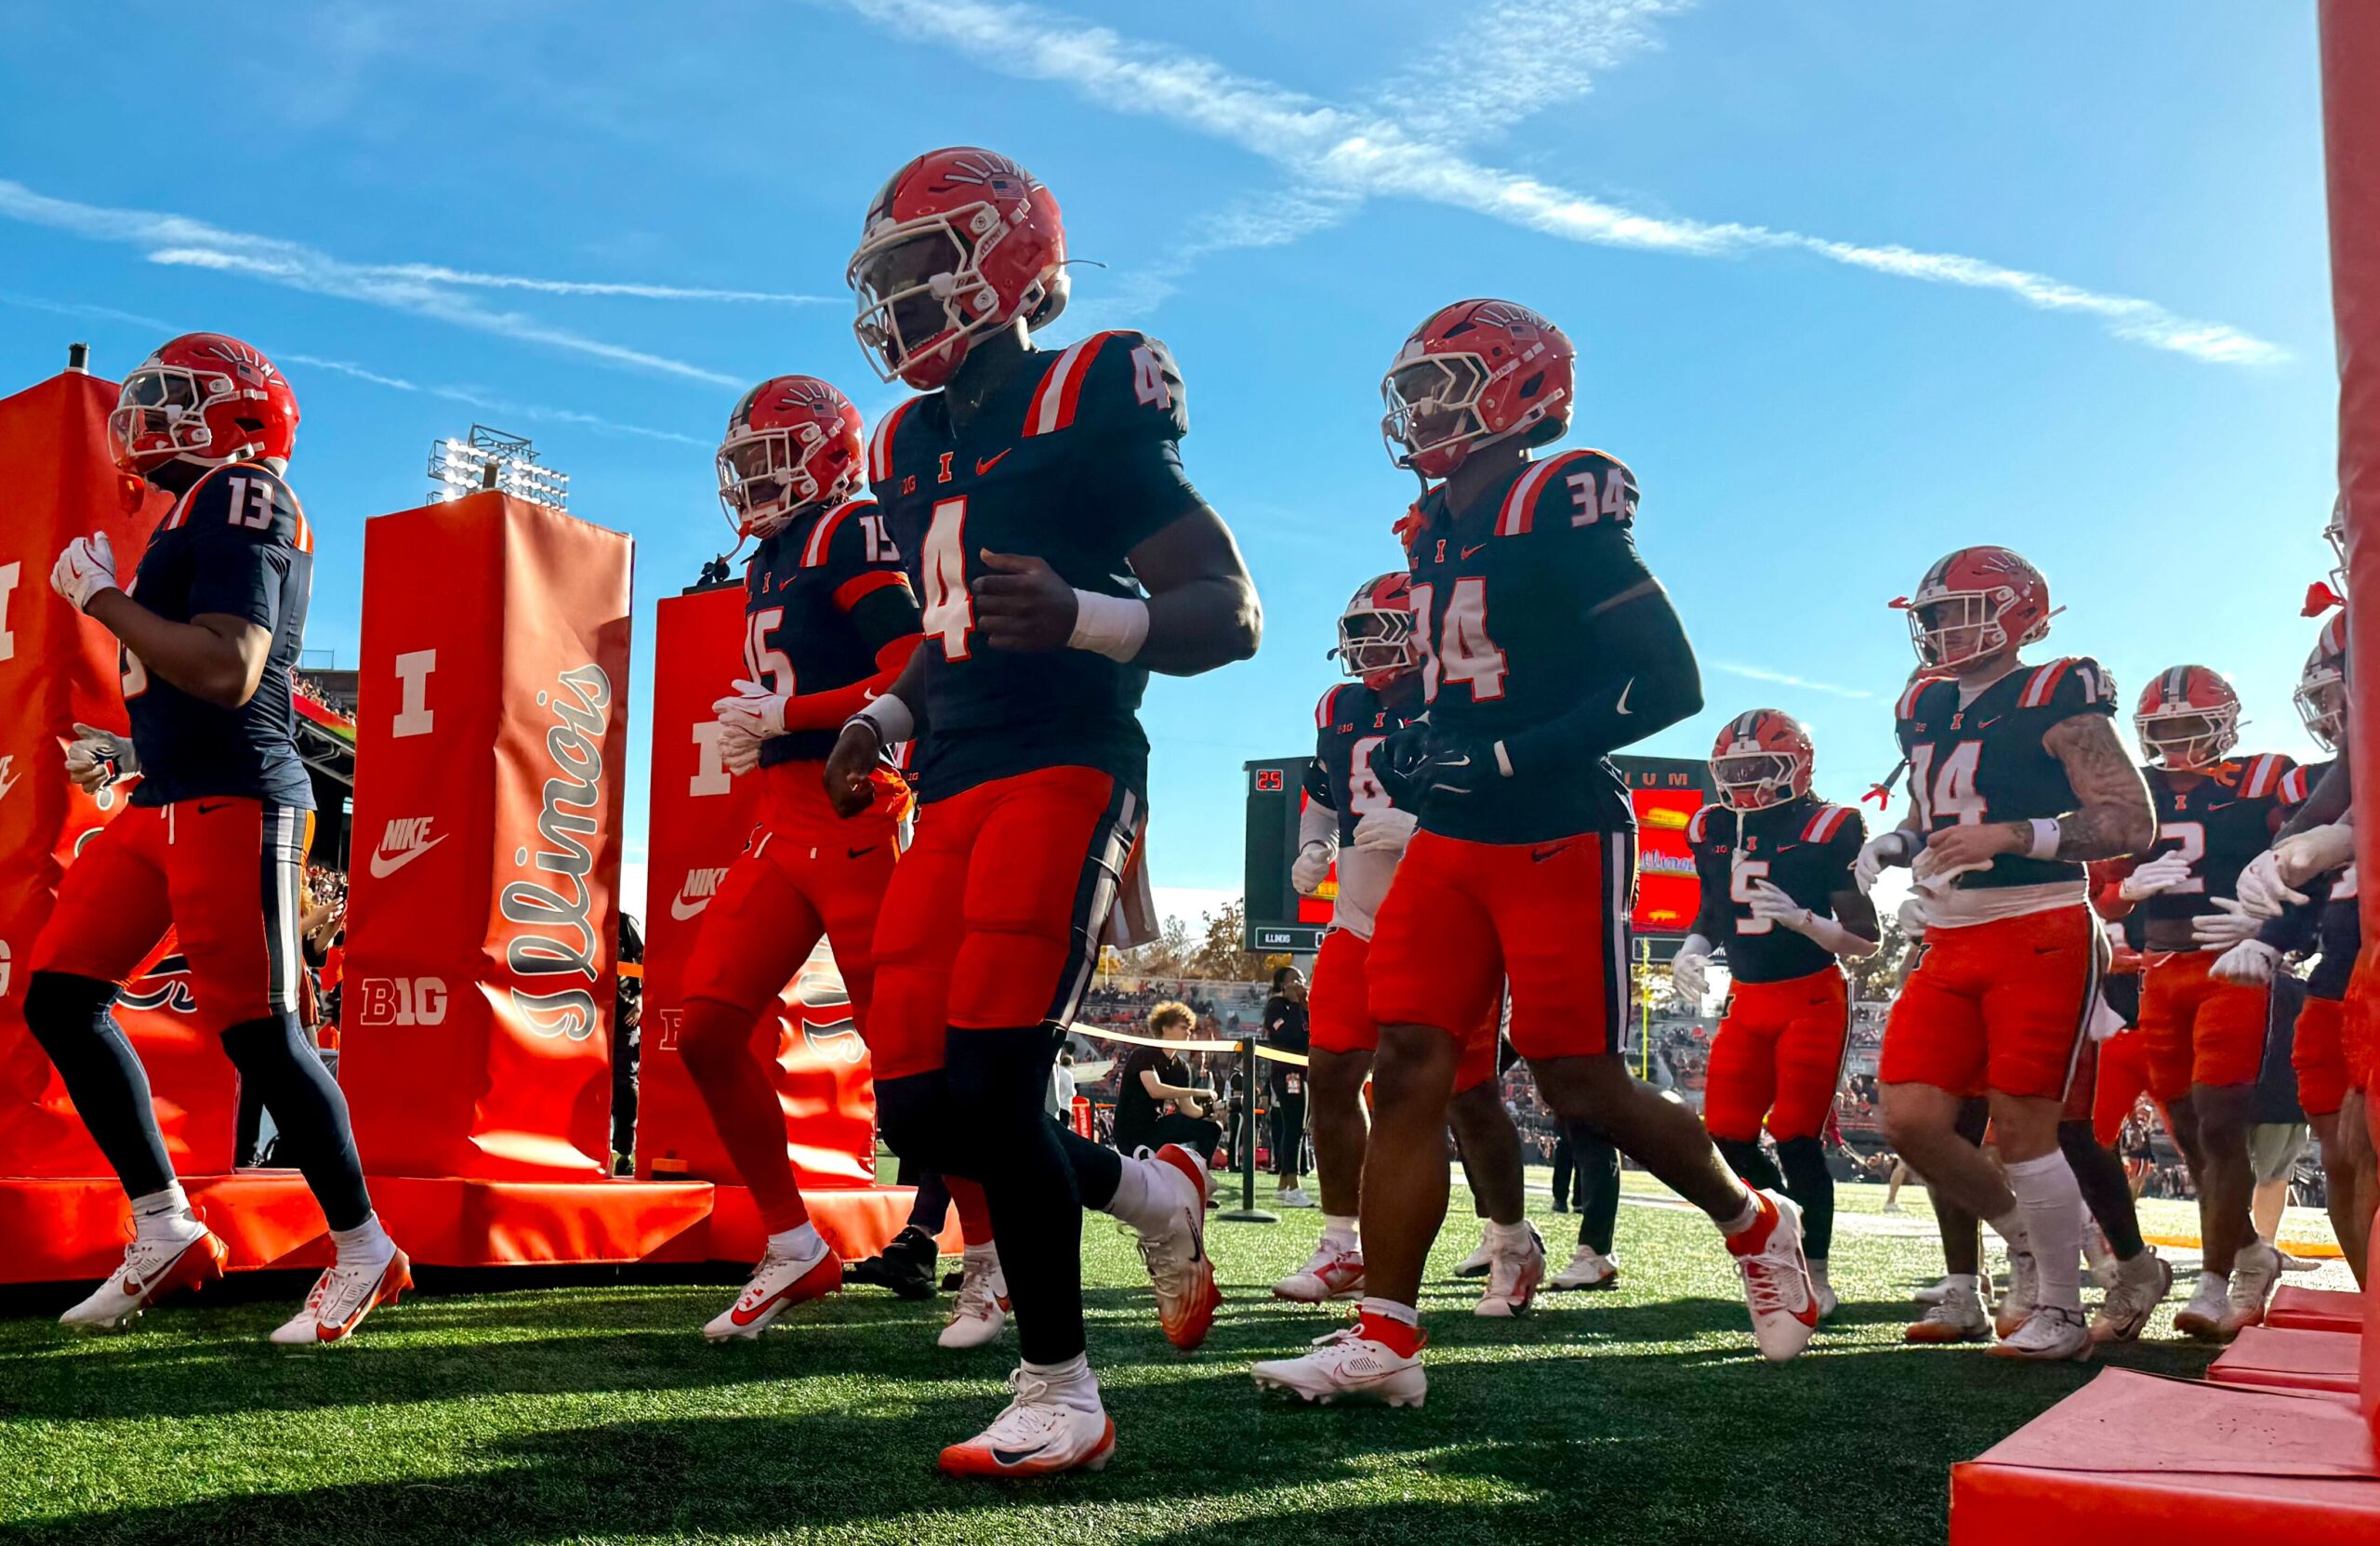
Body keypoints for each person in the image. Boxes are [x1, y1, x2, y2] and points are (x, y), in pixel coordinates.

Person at [1254, 299, 1814, 1412]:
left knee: (1580, 1080)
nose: (1416, 411)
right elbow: (1465, 672)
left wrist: (1507, 757)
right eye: (1409, 391)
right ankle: (1385, 1338)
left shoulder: (1554, 498)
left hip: (1559, 824)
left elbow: (1668, 684)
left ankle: (1754, 1218)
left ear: (1519, 391)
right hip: (1453, 841)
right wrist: (1427, 746)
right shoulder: (1434, 524)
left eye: (1440, 386)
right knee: (1410, 1064)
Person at [824, 146, 1261, 1477]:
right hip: (950, 774)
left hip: (1069, 759)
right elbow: (943, 628)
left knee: (998, 1078)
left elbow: (1229, 610)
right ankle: (1147, 1186)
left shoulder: (1089, 387)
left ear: (1006, 259)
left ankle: (1063, 1387)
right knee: (921, 1107)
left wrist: (1086, 614)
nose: (898, 299)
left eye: (922, 265)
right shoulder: (904, 439)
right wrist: (884, 716)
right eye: (885, 275)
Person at [30, 334, 406, 1344]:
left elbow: (232, 668)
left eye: (179, 398)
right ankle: (164, 1225)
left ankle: (365, 1246)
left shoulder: (246, 493)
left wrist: (98, 601)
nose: (150, 414)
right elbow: (191, 677)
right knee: (61, 997)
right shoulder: (196, 508)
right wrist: (120, 744)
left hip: (239, 797)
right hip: (166, 795)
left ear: (239, 416)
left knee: (260, 1033)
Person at [675, 374, 935, 1343]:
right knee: (704, 1031)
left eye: (770, 458)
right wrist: (765, 734)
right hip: (781, 822)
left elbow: (913, 665)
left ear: (829, 453)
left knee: (911, 1068)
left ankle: (989, 1254)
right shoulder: (770, 557)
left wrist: (788, 716)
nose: (753, 480)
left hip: (858, 812)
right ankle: (792, 1239)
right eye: (742, 464)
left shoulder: (848, 530)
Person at [1860, 546, 2155, 1361]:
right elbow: (1944, 814)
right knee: (1913, 1119)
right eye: (1934, 615)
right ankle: (2029, 1239)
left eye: (1960, 610)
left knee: (2028, 1128)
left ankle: (2060, 1305)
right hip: (1950, 934)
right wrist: (1897, 840)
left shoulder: (2056, 691)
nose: (1943, 629)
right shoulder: (1922, 702)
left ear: (2018, 611)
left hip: (2040, 925)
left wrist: (2018, 835)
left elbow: (2130, 820)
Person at [1274, 575, 1536, 1313]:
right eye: (1356, 630)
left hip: (1448, 908)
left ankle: (1513, 1241)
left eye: (1380, 627)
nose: (1363, 647)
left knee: (1466, 1094)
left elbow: (1505, 796)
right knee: (1329, 1071)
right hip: (1357, 916)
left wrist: (1426, 831)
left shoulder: (1463, 694)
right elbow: (1323, 793)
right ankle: (1340, 1244)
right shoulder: (1338, 706)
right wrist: (1315, 844)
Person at [2096, 666, 2297, 1339]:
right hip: (2162, 970)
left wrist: (2272, 914)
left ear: (2225, 723)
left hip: (2233, 966)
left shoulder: (2264, 778)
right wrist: (2126, 892)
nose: (2178, 742)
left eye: (2191, 726)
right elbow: (2093, 891)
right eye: (2165, 730)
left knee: (2219, 1121)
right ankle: (2249, 1254)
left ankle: (2213, 1283)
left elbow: (2304, 851)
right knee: (2185, 1130)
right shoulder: (2137, 792)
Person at [1671, 709, 1881, 1317]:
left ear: (1797, 764)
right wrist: (1693, 947)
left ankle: (1815, 1269)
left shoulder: (1828, 825)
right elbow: (1714, 904)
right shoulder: (1711, 826)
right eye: (1732, 769)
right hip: (1748, 995)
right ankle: (1781, 1231)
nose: (1743, 781)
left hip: (1812, 995)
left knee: (1796, 1133)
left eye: (1757, 767)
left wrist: (1805, 920)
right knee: (1726, 1135)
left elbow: (1865, 937)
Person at [2241, 614, 2373, 1287]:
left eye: (2341, 686)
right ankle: (2372, 1313)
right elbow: (2308, 822)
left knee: (2366, 1138)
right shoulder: (2345, 757)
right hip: (2340, 969)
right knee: (2343, 1151)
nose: (2333, 707)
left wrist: (2345, 835)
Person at [1112, 1002, 1223, 1157]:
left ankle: (1200, 1172)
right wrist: (1200, 1092)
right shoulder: (1143, 1054)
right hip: (1130, 1132)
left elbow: (1188, 1108)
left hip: (1155, 1127)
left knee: (1213, 1129)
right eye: (1183, 1027)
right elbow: (1155, 1090)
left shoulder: (1182, 1067)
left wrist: (1211, 1111)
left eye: (1190, 1029)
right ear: (1165, 1028)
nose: (1188, 1033)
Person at [1262, 966, 1314, 1207]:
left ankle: (1284, 1184)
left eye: (1303, 979)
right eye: (1296, 979)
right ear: (1283, 984)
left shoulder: (1306, 1009)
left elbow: (1310, 1037)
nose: (1301, 983)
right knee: (1293, 1125)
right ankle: (1293, 1185)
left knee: (1299, 1126)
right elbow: (1288, 1035)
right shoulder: (1277, 1006)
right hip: (1287, 1072)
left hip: (1304, 1071)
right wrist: (1293, 1004)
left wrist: (1304, 1005)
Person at [612, 913, 643, 1175]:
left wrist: (641, 999)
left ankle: (624, 1152)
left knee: (625, 1083)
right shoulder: (578, 917)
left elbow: (646, 960)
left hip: (625, 1018)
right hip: (586, 1016)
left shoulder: (624, 922)